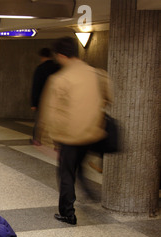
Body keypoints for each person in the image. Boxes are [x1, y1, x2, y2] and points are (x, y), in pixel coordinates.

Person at [38, 37, 113, 225]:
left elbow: (51, 112)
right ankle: (88, 190)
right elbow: (109, 97)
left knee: (66, 174)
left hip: (70, 137)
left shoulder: (60, 80)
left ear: (62, 56)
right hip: (92, 133)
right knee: (78, 166)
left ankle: (68, 213)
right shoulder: (98, 74)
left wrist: (48, 139)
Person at [30, 48, 60, 145]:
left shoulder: (40, 69)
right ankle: (57, 143)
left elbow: (36, 86)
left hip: (43, 99)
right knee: (56, 121)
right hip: (57, 99)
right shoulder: (58, 67)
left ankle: (37, 139)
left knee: (40, 121)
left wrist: (34, 103)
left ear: (42, 57)